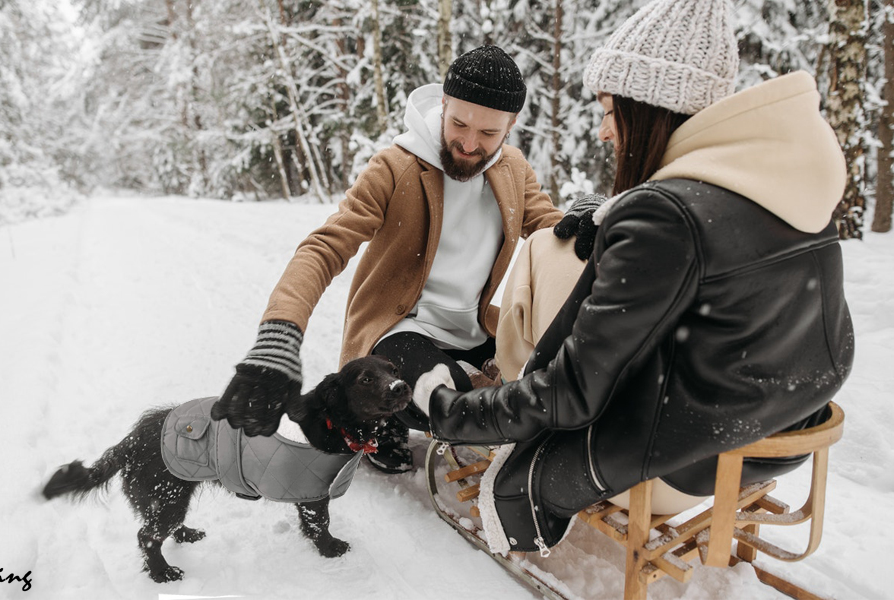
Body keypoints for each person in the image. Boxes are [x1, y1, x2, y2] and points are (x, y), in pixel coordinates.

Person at [414, 0, 855, 556]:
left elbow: (573, 396)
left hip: (684, 462)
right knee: (560, 256)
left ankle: (507, 397)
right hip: (783, 436)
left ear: (647, 110)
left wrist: (448, 412)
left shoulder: (665, 215)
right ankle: (517, 385)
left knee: (546, 266)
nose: (603, 132)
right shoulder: (779, 179)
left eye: (609, 111)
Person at [211, 45, 590, 474]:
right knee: (460, 402)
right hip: (400, 329)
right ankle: (387, 416)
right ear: (443, 104)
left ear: (511, 125)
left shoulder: (513, 169)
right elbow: (324, 248)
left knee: (546, 380)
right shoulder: (395, 167)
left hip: (473, 326)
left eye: (488, 133)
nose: (469, 143)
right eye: (459, 123)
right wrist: (279, 333)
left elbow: (551, 229)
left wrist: (590, 219)